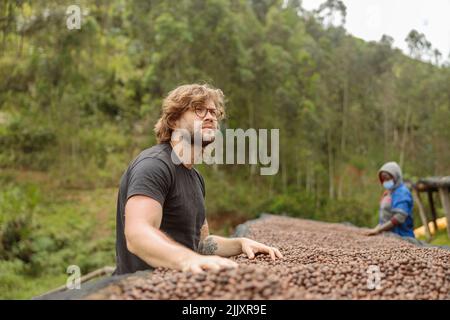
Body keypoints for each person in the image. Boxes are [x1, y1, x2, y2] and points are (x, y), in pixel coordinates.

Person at [114, 84, 282, 275]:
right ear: (174, 121)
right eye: (199, 110)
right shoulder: (154, 166)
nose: (210, 116)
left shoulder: (196, 177)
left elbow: (201, 242)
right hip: (140, 291)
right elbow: (137, 235)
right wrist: (187, 259)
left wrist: (240, 243)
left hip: (184, 289)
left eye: (213, 111)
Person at [366, 161, 415, 238]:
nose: (385, 181)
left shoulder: (402, 192)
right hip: (389, 235)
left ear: (395, 176)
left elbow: (399, 217)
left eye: (387, 178)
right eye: (383, 179)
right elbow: (385, 218)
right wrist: (376, 229)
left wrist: (379, 230)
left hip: (402, 235)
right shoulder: (390, 193)